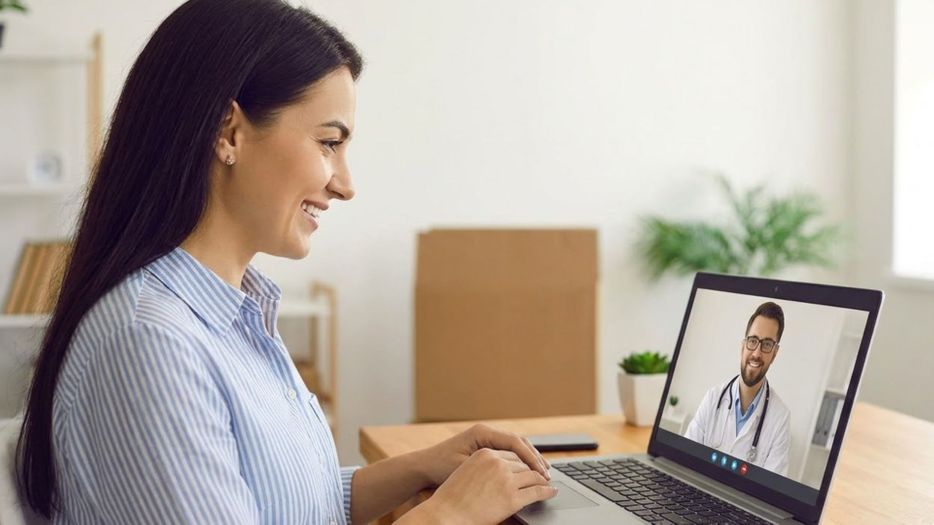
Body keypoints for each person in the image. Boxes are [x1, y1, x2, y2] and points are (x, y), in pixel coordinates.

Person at [15, 1, 557, 523]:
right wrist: (452, 514)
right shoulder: (150, 342)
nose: (345, 184)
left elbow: (290, 502)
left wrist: (422, 466)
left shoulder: (232, 311)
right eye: (328, 143)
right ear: (228, 132)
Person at [683, 302, 791, 476]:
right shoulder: (713, 398)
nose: (756, 353)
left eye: (767, 344)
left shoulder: (780, 418)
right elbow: (684, 460)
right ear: (743, 345)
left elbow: (771, 491)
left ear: (775, 354)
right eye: (753, 341)